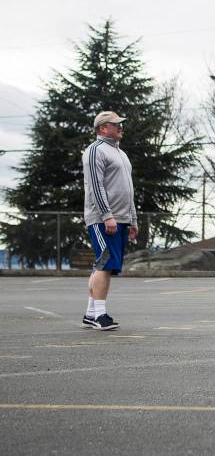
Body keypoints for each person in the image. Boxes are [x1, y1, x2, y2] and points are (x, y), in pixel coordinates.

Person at [82, 111, 138, 331]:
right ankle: (100, 315)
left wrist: (132, 219)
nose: (121, 128)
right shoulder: (95, 150)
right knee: (104, 263)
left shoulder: (121, 154)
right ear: (103, 128)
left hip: (120, 218)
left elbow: (129, 189)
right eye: (116, 125)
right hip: (103, 219)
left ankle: (90, 313)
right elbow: (96, 186)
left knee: (103, 265)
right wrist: (107, 216)